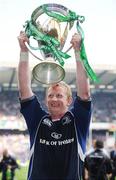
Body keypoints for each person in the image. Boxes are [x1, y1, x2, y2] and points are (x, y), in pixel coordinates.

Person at [17, 30, 92, 180]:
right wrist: (23, 51)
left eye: (59, 95)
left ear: (69, 100)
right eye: (50, 95)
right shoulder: (37, 120)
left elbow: (84, 94)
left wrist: (78, 51)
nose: (54, 99)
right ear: (46, 101)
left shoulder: (77, 121)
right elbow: (24, 90)